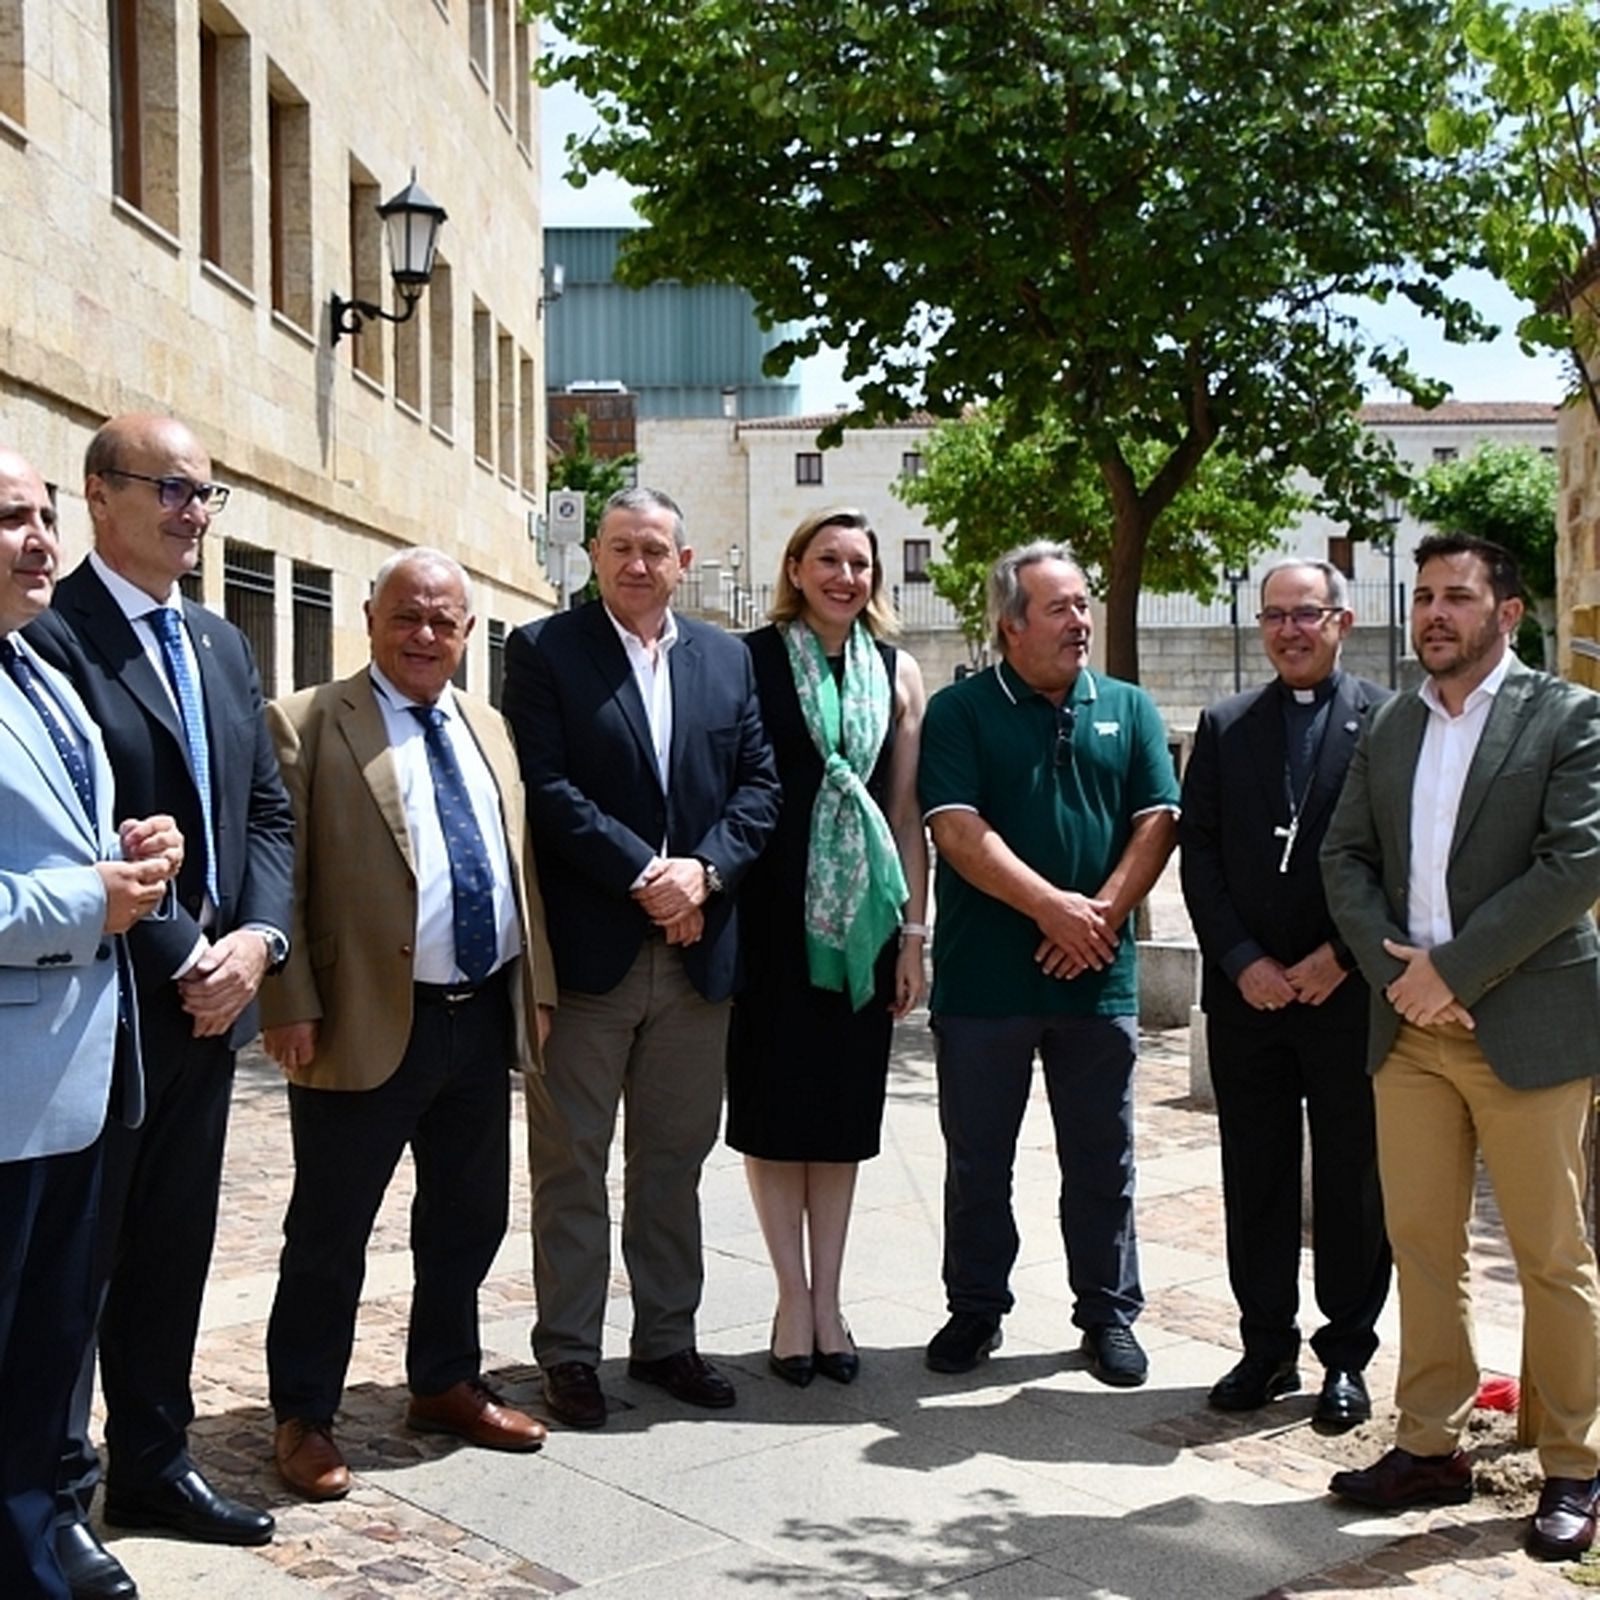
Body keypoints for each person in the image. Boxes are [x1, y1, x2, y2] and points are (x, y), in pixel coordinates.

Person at [27, 415, 294, 1595]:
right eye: (171, 489)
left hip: (216, 1007)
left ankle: (155, 1457)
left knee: (177, 1248)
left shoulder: (223, 644)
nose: (193, 511)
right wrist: (192, 956)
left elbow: (267, 814)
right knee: (75, 1265)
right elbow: (88, 836)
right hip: (110, 1012)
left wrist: (258, 941)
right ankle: (57, 1483)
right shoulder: (51, 636)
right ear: (99, 495)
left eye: (205, 492)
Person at [258, 548, 559, 1501]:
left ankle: (442, 1381)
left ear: (468, 632)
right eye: (407, 617)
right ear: (369, 616)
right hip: (360, 1017)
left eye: (444, 621)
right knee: (331, 1229)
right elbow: (284, 873)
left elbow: (518, 866)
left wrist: (536, 986)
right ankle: (304, 1412)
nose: (425, 635)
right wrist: (288, 998)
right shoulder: (308, 722)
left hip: (477, 1015)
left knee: (467, 1217)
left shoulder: (490, 726)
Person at [1322, 533, 1600, 1562]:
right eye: (1424, 596)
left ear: (1508, 613)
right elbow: (1341, 854)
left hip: (1525, 1027)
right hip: (1410, 1032)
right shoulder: (1394, 721)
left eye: (1458, 596)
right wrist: (1404, 975)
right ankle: (1431, 1443)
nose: (1434, 613)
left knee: (1551, 1255)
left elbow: (1573, 863)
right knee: (1423, 1247)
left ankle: (1574, 1462)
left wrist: (1455, 970)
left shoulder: (1567, 716)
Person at [503, 486, 779, 1429]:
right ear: (593, 555)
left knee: (673, 1162)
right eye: (620, 546)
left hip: (698, 956)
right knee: (571, 1164)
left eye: (654, 549)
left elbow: (759, 788)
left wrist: (704, 875)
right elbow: (547, 786)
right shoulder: (543, 651)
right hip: (589, 959)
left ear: (684, 562)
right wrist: (646, 875)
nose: (636, 564)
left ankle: (667, 1341)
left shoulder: (727, 659)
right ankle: (571, 1354)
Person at [917, 541, 1179, 1385]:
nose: (1080, 621)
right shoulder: (959, 712)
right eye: (1060, 607)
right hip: (985, 983)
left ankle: (1107, 1314)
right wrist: (1052, 909)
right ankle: (976, 1308)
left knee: (1104, 1157)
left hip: (1098, 980)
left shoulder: (1130, 707)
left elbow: (1158, 820)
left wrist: (1096, 917)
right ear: (1011, 624)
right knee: (978, 1158)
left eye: (1083, 604)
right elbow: (956, 830)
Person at [0, 448, 179, 1600]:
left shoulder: (39, 671)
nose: (38, 537)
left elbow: (65, 838)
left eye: (45, 513)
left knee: (50, 1339)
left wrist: (130, 852)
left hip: (78, 1069)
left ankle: (31, 1531)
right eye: (9, 515)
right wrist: (88, 901)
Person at [1179, 559, 1391, 1429]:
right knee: (1255, 1174)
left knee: (1352, 1179)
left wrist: (1340, 956)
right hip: (1250, 1001)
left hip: (1347, 996)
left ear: (1341, 622)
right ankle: (1265, 1346)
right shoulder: (1226, 727)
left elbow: (1405, 859)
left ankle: (1345, 1356)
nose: (1290, 631)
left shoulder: (1388, 721)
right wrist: (1240, 960)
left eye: (1308, 615)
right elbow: (1200, 857)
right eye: (1275, 616)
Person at [726, 509, 929, 1387]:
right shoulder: (749, 659)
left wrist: (915, 933)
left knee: (841, 1121)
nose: (847, 577)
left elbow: (906, 809)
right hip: (770, 913)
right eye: (830, 560)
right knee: (775, 1118)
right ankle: (789, 1299)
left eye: (861, 564)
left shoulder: (900, 671)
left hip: (867, 923)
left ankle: (832, 1300)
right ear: (796, 567)